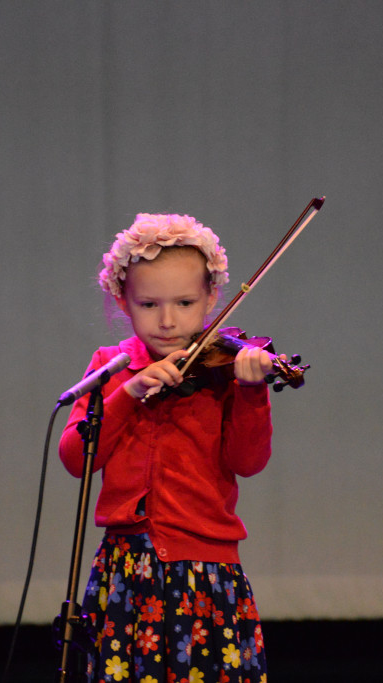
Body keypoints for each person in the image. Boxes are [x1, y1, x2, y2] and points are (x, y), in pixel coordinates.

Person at [58, 213, 275, 683]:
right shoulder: (111, 367)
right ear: (123, 301)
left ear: (212, 299)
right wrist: (126, 394)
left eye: (185, 302)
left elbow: (248, 462)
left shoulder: (225, 368)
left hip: (207, 569)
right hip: (125, 568)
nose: (168, 319)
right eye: (149, 304)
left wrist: (252, 393)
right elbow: (77, 458)